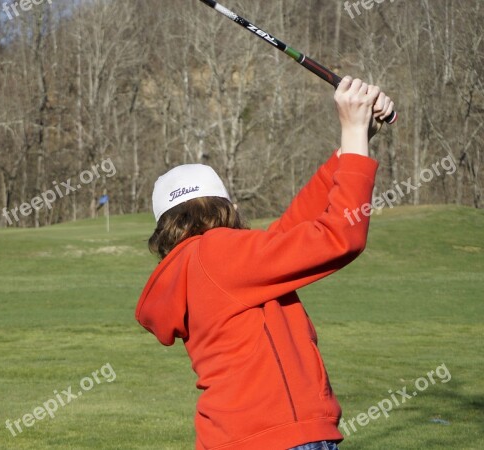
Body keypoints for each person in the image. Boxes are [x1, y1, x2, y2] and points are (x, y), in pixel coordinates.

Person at [135, 77, 394, 450]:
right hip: (280, 441)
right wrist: (352, 130)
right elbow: (340, 236)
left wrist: (354, 141)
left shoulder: (203, 266)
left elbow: (295, 229)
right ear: (228, 207)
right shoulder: (217, 253)